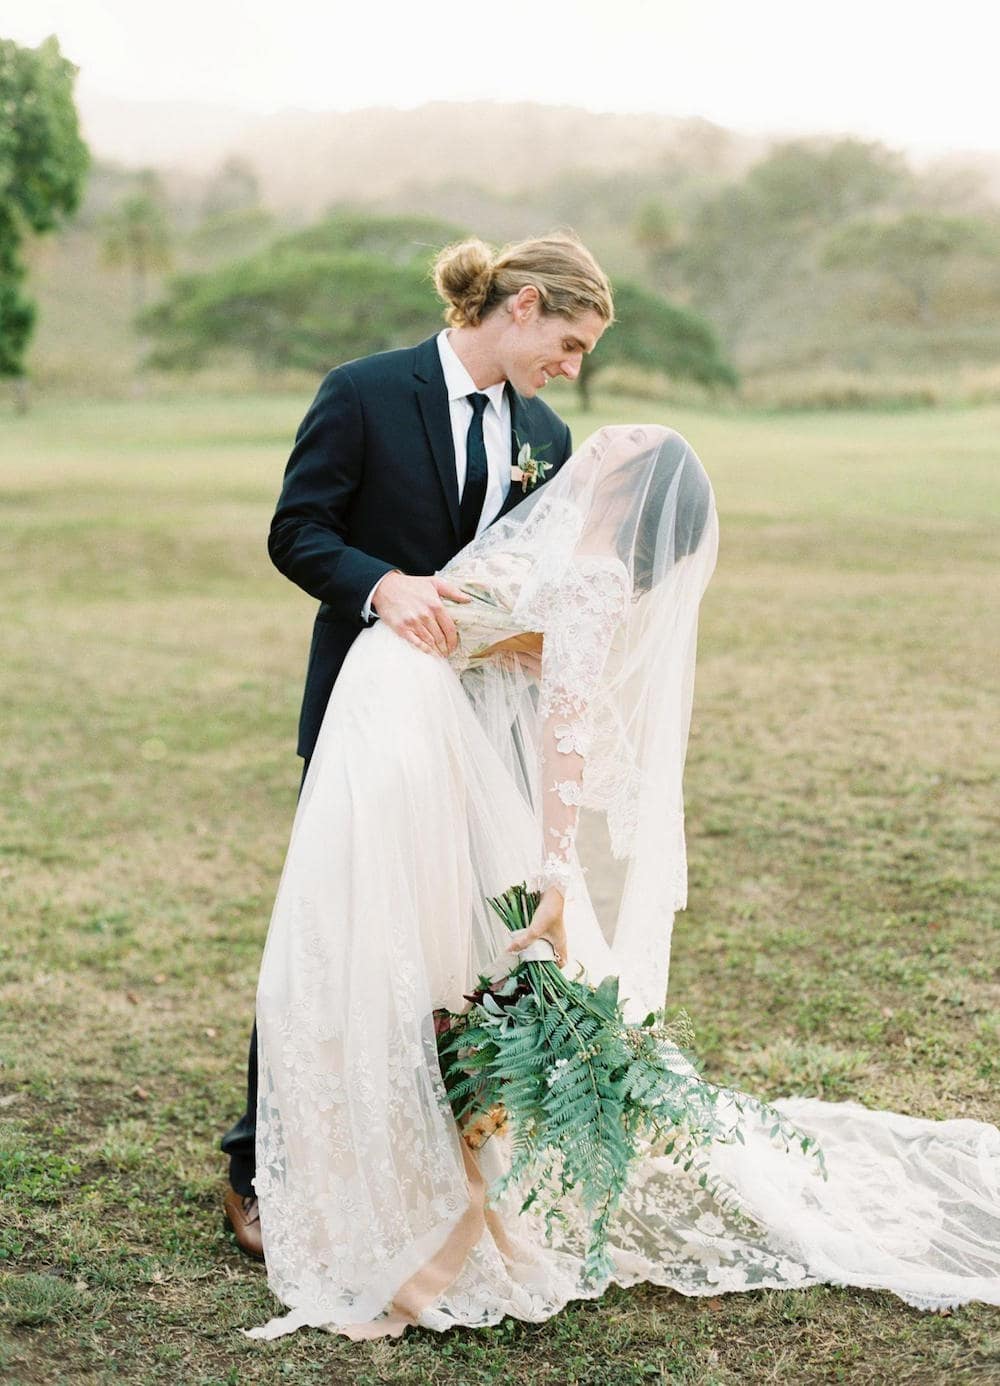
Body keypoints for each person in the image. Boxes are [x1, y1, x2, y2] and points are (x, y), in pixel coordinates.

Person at [246, 424, 1000, 1339]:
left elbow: (568, 728)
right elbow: (502, 647)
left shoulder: (595, 574)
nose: (606, 434)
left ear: (632, 486)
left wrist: (555, 873)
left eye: (630, 442)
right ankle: (376, 1172)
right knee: (351, 949)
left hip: (406, 734)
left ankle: (421, 1200)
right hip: (394, 723)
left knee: (387, 951)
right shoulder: (550, 533)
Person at [220, 232, 614, 1258]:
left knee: (455, 931)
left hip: (481, 727)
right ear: (520, 305)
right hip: (367, 706)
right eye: (568, 342)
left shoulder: (550, 437)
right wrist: (382, 585)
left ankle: (418, 1143)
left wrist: (529, 644)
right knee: (332, 919)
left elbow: (517, 579)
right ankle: (257, 1162)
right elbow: (296, 531)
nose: (570, 369)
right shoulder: (361, 392)